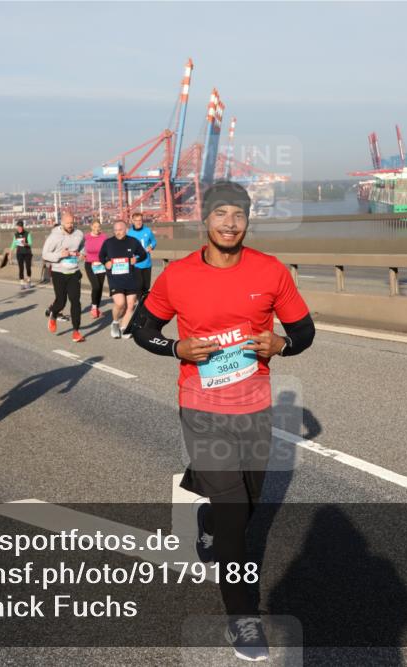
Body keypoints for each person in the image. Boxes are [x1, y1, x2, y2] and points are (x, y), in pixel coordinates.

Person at [130, 181, 315, 662]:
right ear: (204, 221)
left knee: (247, 505)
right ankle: (242, 619)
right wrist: (176, 348)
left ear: (247, 221)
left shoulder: (270, 271)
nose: (230, 223)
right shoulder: (179, 276)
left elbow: (303, 331)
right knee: (237, 523)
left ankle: (208, 510)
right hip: (201, 406)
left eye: (238, 215)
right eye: (221, 214)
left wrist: (283, 346)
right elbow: (141, 330)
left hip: (254, 408)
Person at [41, 211, 86, 343]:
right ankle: (53, 314)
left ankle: (76, 331)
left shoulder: (79, 234)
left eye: (72, 222)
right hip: (58, 272)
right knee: (61, 302)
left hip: (73, 271)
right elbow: (45, 254)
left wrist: (82, 254)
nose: (70, 225)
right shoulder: (54, 236)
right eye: (67, 223)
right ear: (62, 223)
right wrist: (60, 255)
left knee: (75, 301)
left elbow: (83, 247)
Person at [98, 220, 147, 339]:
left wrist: (137, 260)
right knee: (120, 303)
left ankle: (124, 327)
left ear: (126, 230)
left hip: (130, 278)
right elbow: (101, 256)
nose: (118, 232)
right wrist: (106, 262)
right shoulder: (108, 242)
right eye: (115, 230)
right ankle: (115, 323)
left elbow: (143, 254)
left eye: (120, 230)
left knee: (130, 305)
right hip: (115, 278)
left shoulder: (133, 242)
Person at [126, 212, 157, 296]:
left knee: (146, 286)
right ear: (133, 221)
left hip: (147, 263)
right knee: (138, 286)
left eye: (140, 220)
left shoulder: (147, 231)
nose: (138, 222)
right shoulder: (129, 233)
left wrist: (151, 246)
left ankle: (143, 303)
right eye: (136, 220)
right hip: (136, 264)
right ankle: (140, 305)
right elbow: (126, 246)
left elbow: (154, 241)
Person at [83, 220, 109, 319]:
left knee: (100, 287)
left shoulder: (104, 237)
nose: (97, 229)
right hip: (90, 264)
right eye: (95, 226)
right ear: (91, 227)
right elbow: (80, 247)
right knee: (96, 286)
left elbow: (108, 248)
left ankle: (97, 308)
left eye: (98, 227)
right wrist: (81, 254)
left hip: (101, 265)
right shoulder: (86, 237)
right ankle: (93, 308)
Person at [11, 221, 34, 290]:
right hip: (19, 253)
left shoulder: (27, 234)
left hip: (27, 253)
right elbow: (13, 244)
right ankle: (22, 283)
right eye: (18, 227)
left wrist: (25, 244)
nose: (19, 229)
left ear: (22, 227)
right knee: (21, 268)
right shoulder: (16, 235)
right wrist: (10, 252)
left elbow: (30, 243)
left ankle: (29, 281)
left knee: (28, 268)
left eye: (20, 227)